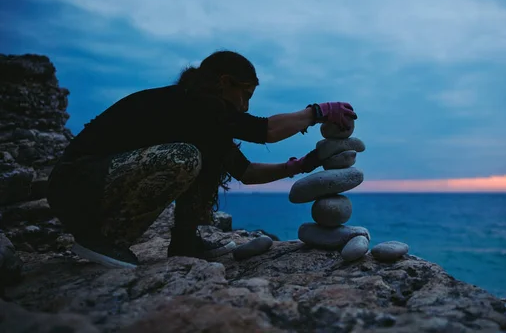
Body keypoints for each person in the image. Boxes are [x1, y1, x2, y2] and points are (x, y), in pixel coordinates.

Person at [47, 50, 357, 269]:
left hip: (96, 185)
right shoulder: (191, 105)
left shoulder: (206, 122)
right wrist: (318, 112)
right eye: (245, 94)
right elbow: (267, 130)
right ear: (224, 82)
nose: (246, 106)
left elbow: (245, 171)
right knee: (185, 157)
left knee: (202, 159)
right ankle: (102, 239)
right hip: (76, 183)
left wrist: (306, 163)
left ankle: (184, 242)